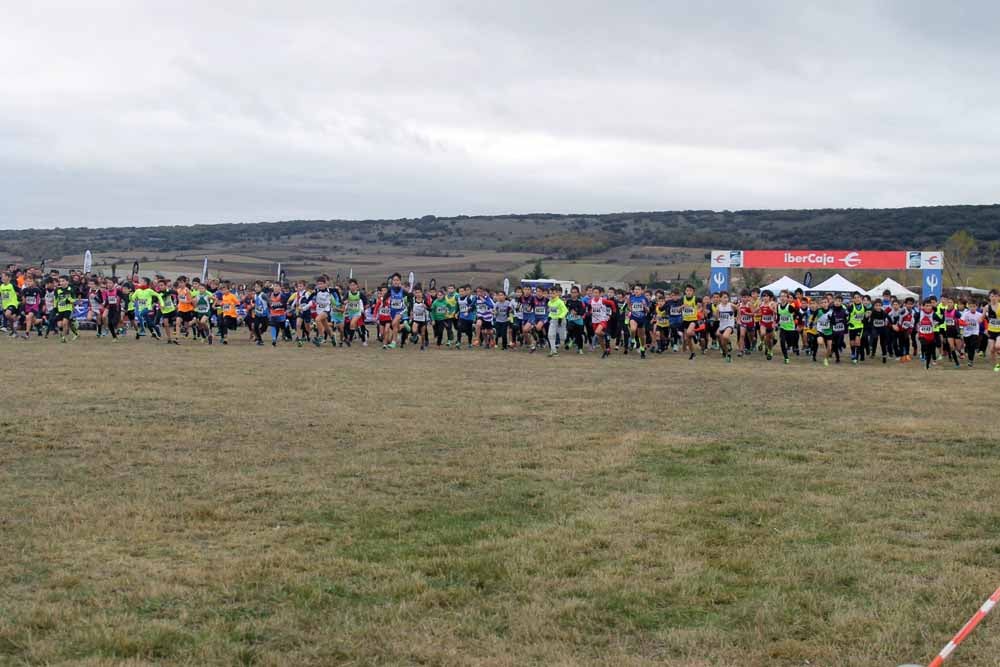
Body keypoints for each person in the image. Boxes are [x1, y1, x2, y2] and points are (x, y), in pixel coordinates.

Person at [916, 299, 944, 370]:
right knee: (924, 346)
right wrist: (916, 326)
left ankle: (927, 365)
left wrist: (936, 324)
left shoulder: (933, 314)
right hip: (922, 335)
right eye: (927, 306)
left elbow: (941, 321)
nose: (928, 307)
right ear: (923, 307)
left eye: (930, 306)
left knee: (930, 350)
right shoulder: (919, 313)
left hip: (931, 335)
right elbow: (914, 320)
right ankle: (924, 357)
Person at [626, 283, 650, 359]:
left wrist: (644, 306)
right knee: (633, 329)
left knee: (642, 337)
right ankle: (633, 340)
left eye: (638, 289)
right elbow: (629, 306)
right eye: (635, 289)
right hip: (633, 317)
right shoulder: (631, 297)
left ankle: (642, 349)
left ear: (642, 291)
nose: (636, 291)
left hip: (642, 319)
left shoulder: (644, 298)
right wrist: (630, 308)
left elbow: (648, 310)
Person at [960, 299, 982, 368]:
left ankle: (971, 361)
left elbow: (985, 321)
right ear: (968, 307)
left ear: (977, 307)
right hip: (966, 333)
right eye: (971, 306)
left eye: (974, 306)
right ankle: (969, 358)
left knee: (972, 346)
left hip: (975, 332)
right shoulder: (966, 314)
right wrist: (965, 323)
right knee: (969, 347)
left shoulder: (979, 314)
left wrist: (986, 329)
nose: (972, 308)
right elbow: (960, 321)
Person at [546, 286, 568, 357]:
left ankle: (568, 336)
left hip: (561, 321)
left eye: (553, 293)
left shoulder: (560, 302)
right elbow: (551, 311)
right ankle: (553, 351)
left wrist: (560, 318)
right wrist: (549, 316)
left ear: (557, 294)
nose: (552, 295)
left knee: (563, 338)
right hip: (553, 321)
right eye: (550, 293)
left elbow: (565, 310)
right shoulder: (549, 302)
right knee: (550, 335)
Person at [716, 291, 736, 362]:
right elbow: (717, 316)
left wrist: (738, 318)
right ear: (720, 298)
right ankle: (727, 354)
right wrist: (717, 317)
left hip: (730, 324)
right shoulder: (718, 306)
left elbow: (739, 309)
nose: (726, 299)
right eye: (724, 297)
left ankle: (728, 344)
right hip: (722, 325)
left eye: (727, 297)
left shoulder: (731, 305)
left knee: (725, 336)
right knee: (723, 343)